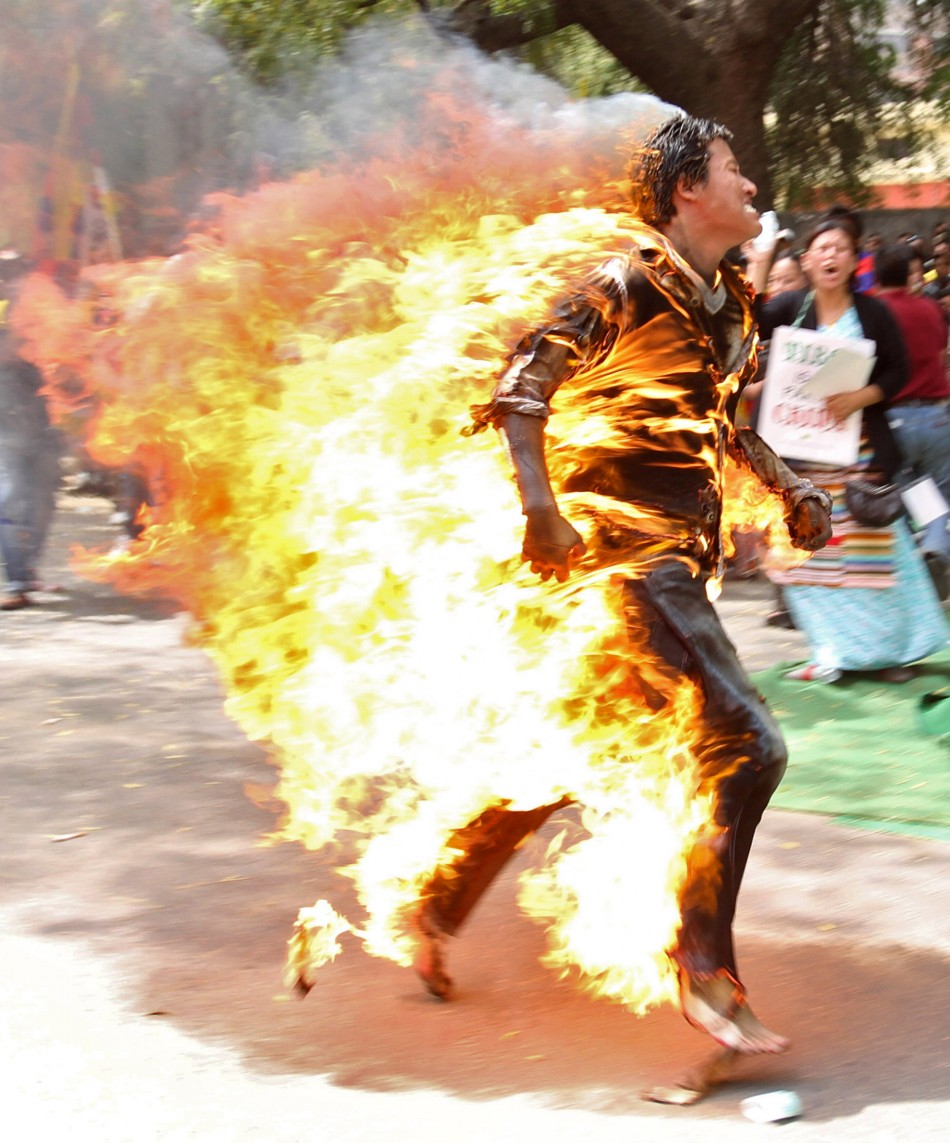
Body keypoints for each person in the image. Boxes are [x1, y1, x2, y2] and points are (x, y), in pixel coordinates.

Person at [413, 115, 833, 1056]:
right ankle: (702, 968)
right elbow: (525, 387)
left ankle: (434, 905)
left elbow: (717, 430)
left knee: (565, 760)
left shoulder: (731, 302)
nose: (754, 189)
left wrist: (790, 484)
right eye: (735, 171)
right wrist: (538, 508)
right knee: (748, 744)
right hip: (623, 563)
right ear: (690, 188)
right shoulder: (625, 281)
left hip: (681, 562)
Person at [754, 218, 948, 682]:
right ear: (807, 260)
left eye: (841, 248)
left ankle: (886, 655)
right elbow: (744, 322)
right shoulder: (788, 307)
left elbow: (897, 372)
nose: (831, 256)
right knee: (813, 561)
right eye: (822, 248)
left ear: (853, 259)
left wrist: (860, 398)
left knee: (869, 558)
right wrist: (759, 261)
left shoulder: (874, 313)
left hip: (859, 459)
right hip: (800, 463)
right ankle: (834, 653)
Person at [875, 243, 950, 599]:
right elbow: (940, 351)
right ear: (908, 274)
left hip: (893, 419)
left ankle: (910, 575)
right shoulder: (930, 308)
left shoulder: (873, 311)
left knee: (901, 496)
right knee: (935, 494)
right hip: (936, 417)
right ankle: (935, 548)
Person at [0, 251, 62, 609]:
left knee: (42, 501)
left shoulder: (48, 311)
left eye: (18, 268)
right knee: (9, 497)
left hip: (45, 425)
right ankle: (17, 581)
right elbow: (8, 353)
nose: (13, 276)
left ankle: (28, 569)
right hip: (5, 427)